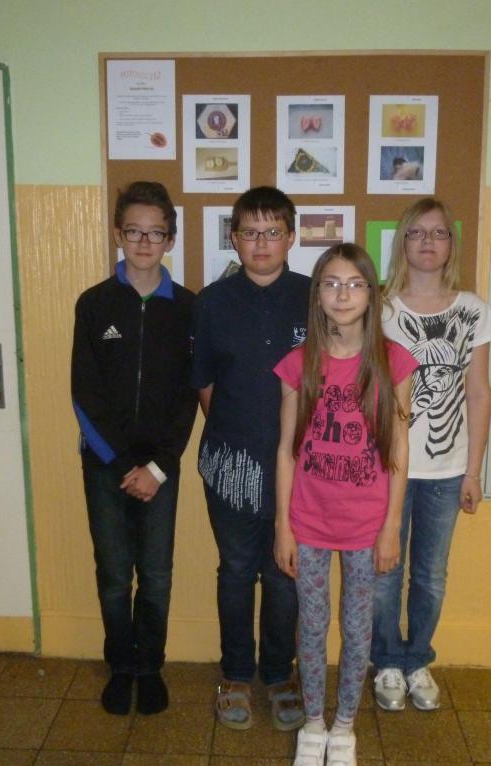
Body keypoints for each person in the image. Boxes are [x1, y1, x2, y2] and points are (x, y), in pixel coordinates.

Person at [275, 243, 416, 766]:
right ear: (317, 294)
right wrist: (283, 526)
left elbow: (399, 447)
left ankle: (344, 727)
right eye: (331, 284)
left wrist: (391, 525)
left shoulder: (393, 362)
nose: (342, 294)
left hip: (367, 525)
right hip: (309, 522)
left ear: (371, 295)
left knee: (357, 629)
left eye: (355, 284)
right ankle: (313, 722)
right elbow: (287, 451)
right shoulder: (299, 363)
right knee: (312, 626)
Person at [71, 181, 197, 716]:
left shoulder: (188, 308)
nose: (145, 242)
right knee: (114, 573)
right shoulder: (94, 304)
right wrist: (125, 465)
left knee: (158, 574)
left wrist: (160, 466)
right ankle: (122, 665)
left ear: (171, 239)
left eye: (156, 233)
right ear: (118, 235)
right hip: (106, 465)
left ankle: (150, 667)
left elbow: (188, 396)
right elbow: (85, 392)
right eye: (134, 231)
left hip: (161, 467)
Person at [371, 198, 491, 711]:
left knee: (430, 575)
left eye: (439, 233)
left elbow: (479, 393)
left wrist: (474, 471)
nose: (428, 241)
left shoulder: (473, 310)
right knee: (383, 572)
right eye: (417, 232)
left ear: (452, 244)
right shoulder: (380, 308)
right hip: (386, 468)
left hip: (447, 471)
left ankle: (416, 659)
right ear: (402, 241)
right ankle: (386, 661)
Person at [191, 186, 310, 731]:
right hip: (231, 465)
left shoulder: (313, 297)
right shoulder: (212, 302)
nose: (261, 243)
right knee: (237, 570)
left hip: (299, 467)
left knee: (285, 574)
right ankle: (236, 673)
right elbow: (205, 385)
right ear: (234, 239)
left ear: (291, 237)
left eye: (272, 232)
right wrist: (238, 436)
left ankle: (280, 674)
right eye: (249, 233)